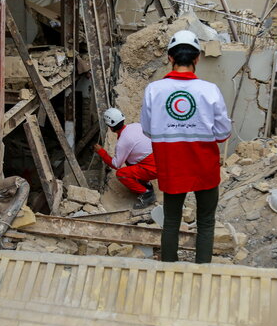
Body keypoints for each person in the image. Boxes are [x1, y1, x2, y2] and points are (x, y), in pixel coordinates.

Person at [140, 30, 231, 263]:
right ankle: (202, 273)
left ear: (170, 58)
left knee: (171, 222)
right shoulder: (210, 90)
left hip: (172, 166)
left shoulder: (153, 90)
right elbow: (223, 133)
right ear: (197, 59)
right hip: (205, 167)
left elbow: (148, 130)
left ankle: (169, 270)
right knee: (206, 222)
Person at [94, 108, 158, 209]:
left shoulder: (123, 141)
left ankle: (147, 194)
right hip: (160, 160)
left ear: (110, 127)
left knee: (121, 174)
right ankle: (146, 184)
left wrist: (101, 152)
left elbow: (116, 164)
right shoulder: (136, 126)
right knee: (129, 160)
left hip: (153, 168)